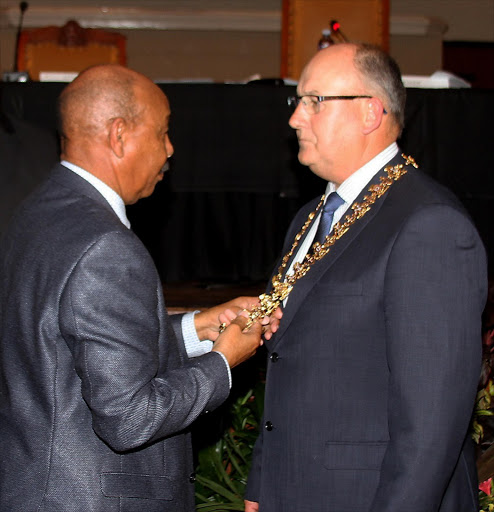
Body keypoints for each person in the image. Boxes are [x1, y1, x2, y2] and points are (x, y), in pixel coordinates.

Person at [0, 64, 280, 512]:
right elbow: (129, 418)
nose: (170, 150)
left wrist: (194, 328)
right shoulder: (106, 245)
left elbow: (70, 351)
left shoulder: (35, 213)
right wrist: (223, 362)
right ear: (119, 136)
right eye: (162, 132)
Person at [244, 43, 487, 512]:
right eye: (297, 101)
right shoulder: (309, 218)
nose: (296, 118)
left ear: (370, 113)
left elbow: (432, 424)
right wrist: (263, 486)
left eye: (314, 100)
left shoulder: (429, 225)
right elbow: (290, 367)